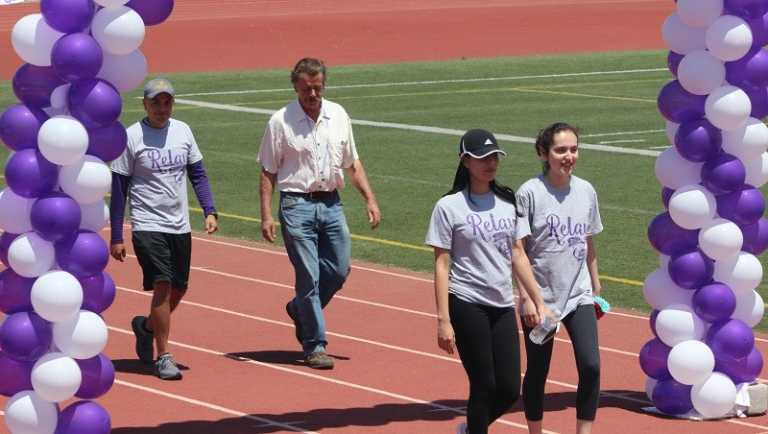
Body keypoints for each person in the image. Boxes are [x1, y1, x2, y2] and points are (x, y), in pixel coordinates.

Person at [258, 57, 381, 370]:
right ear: (295, 87)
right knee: (309, 276)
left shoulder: (337, 115)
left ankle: (300, 310)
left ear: (323, 85)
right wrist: (266, 214)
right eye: (305, 89)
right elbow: (268, 171)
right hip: (296, 205)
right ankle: (315, 344)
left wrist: (369, 198)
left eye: (316, 88)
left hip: (331, 203)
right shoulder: (280, 121)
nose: (311, 94)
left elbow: (352, 163)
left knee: (339, 270)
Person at [425, 129, 548, 434]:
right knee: (483, 385)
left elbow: (518, 254)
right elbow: (441, 264)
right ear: (465, 161)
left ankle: (469, 429)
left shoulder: (509, 201)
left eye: (494, 157)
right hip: (466, 302)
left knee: (508, 389)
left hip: (502, 303)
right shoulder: (449, 206)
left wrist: (536, 299)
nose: (490, 163)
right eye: (482, 157)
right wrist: (443, 320)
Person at [110, 77, 219, 380]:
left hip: (179, 224)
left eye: (167, 101)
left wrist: (209, 210)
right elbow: (119, 189)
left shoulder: (183, 131)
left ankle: (145, 327)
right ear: (144, 104)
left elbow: (197, 173)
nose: (161, 107)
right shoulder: (131, 137)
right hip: (147, 224)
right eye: (155, 102)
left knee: (180, 288)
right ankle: (165, 355)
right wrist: (117, 235)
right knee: (162, 283)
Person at [516, 122, 603, 434]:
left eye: (574, 149)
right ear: (544, 153)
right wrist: (526, 298)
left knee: (591, 366)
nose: (569, 156)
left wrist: (595, 286)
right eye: (561, 150)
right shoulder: (529, 193)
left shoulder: (586, 191)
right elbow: (518, 251)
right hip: (542, 300)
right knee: (538, 370)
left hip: (578, 295)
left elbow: (588, 240)